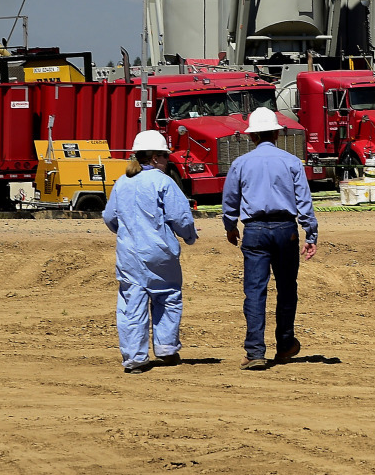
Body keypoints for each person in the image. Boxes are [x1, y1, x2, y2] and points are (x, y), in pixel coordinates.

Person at [221, 107, 318, 371]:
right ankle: (285, 344)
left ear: (252, 137)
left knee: (255, 292)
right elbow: (304, 202)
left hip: (254, 231)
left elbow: (229, 201)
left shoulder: (240, 164)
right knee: (287, 288)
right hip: (285, 230)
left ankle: (255, 352)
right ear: (277, 133)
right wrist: (311, 233)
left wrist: (230, 227)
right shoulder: (291, 162)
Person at [101, 129, 198, 373]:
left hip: (129, 254)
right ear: (154, 157)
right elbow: (181, 218)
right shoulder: (163, 181)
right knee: (167, 297)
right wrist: (188, 236)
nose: (167, 161)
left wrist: (127, 233)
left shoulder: (122, 182)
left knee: (131, 302)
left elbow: (110, 217)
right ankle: (166, 350)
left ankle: (135, 359)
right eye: (165, 156)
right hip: (159, 252)